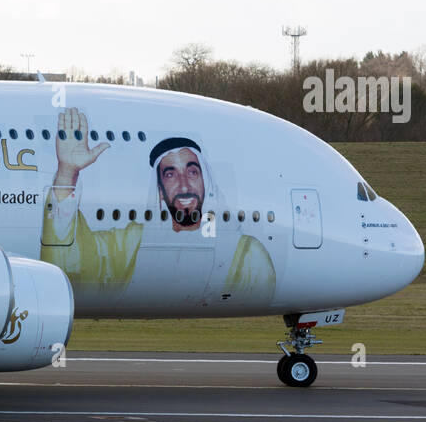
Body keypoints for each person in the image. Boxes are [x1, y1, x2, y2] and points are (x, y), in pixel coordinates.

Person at [39, 108, 275, 304]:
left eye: (192, 172)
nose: (184, 184)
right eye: (170, 174)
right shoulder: (130, 243)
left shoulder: (247, 255)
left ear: (206, 183)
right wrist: (67, 174)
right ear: (160, 191)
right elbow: (69, 264)